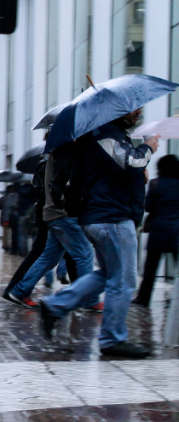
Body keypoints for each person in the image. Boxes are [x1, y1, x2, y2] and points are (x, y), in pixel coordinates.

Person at [38, 108, 159, 358]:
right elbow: (130, 162)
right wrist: (148, 147)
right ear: (118, 110)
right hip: (111, 218)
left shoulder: (106, 135)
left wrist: (138, 174)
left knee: (108, 274)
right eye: (134, 109)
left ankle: (55, 305)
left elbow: (118, 172)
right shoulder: (105, 134)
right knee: (123, 281)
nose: (138, 111)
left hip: (106, 216)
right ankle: (112, 339)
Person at [4, 143, 98, 311]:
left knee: (49, 257)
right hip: (64, 213)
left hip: (54, 213)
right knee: (85, 254)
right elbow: (70, 185)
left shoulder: (57, 154)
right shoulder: (67, 155)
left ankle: (20, 291)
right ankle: (89, 300)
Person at [134, 154, 179, 306]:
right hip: (177, 231)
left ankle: (143, 298)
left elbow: (148, 206)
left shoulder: (155, 184)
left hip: (159, 230)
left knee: (151, 267)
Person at [0, 185, 21, 255]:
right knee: (13, 232)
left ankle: (5, 245)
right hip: (14, 217)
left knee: (5, 232)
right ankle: (12, 246)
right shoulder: (18, 196)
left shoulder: (3, 198)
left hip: (5, 218)